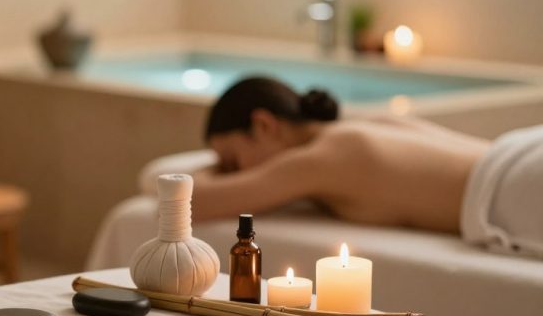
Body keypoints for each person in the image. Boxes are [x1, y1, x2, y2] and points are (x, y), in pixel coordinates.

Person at [194, 76, 490, 234]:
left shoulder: (322, 157)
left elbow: (189, 201)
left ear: (263, 125)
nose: (231, 173)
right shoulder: (358, 128)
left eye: (231, 162)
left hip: (512, 191)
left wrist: (213, 171)